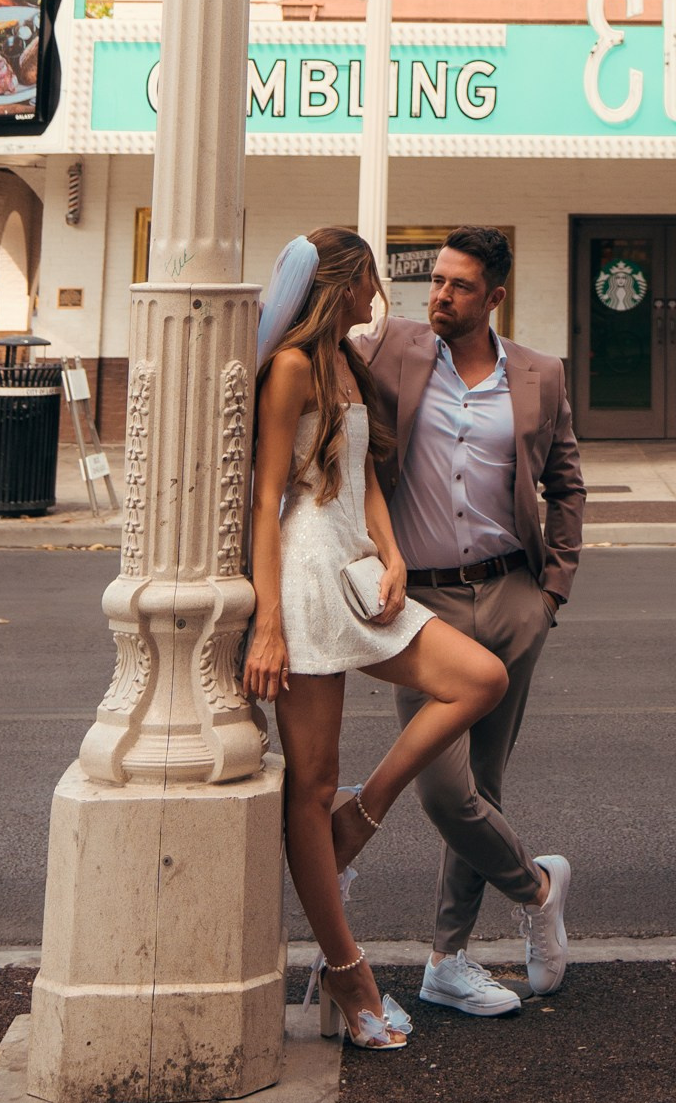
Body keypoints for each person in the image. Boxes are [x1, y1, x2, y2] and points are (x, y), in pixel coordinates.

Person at [242, 227, 509, 1051]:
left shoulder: (345, 363)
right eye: (368, 281)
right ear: (342, 283)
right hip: (305, 579)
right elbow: (266, 499)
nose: (378, 294)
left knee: (479, 678)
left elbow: (363, 481)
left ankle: (366, 811)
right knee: (309, 787)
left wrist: (392, 555)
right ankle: (347, 974)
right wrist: (268, 623)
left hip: (359, 570)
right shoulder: (292, 367)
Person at [364, 225, 584, 1018]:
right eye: (437, 281)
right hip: (424, 607)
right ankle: (538, 889)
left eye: (460, 286)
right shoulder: (390, 349)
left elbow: (566, 483)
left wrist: (551, 590)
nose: (441, 296)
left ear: (494, 297)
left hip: (513, 594)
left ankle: (446, 962)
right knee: (443, 790)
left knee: (483, 783)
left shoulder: (539, 374)